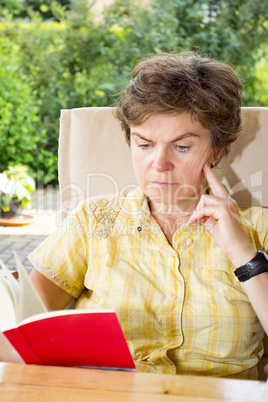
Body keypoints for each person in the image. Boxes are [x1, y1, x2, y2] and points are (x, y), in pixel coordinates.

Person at [28, 52, 268, 379]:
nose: (158, 164)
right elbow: (23, 324)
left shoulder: (259, 230)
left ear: (217, 149)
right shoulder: (94, 220)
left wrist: (243, 256)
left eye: (181, 147)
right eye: (144, 145)